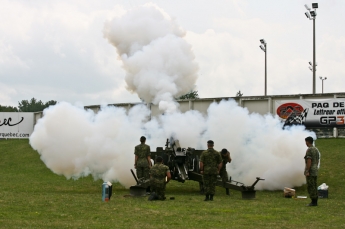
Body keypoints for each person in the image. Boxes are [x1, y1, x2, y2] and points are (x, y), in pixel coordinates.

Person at [304, 136, 320, 207]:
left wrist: (307, 170)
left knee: (311, 186)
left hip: (311, 170)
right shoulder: (316, 149)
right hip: (315, 169)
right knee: (314, 185)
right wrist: (315, 167)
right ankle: (315, 201)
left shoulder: (309, 150)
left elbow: (309, 161)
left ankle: (313, 201)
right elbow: (317, 160)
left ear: (308, 141)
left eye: (306, 142)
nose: (306, 143)